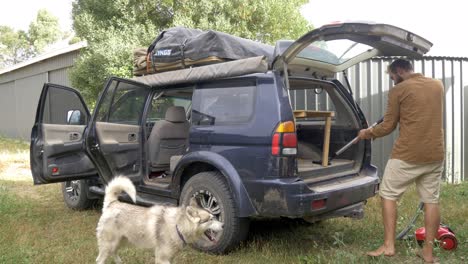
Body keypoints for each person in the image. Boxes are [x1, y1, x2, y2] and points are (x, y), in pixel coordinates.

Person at [356, 59, 444, 263]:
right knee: (431, 200)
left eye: (392, 76)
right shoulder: (437, 85)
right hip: (434, 153)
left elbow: (387, 126)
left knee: (387, 195)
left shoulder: (399, 90)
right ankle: (428, 254)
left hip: (407, 154)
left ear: (401, 70)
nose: (392, 81)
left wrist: (367, 133)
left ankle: (388, 246)